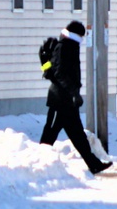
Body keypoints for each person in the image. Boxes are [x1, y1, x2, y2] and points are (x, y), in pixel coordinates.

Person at [39, 21, 112, 174]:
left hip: (68, 101)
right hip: (59, 100)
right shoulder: (64, 48)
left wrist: (74, 95)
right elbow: (58, 74)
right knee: (50, 134)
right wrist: (73, 93)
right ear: (76, 35)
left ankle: (94, 164)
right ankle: (37, 164)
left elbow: (54, 71)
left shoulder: (69, 46)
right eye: (81, 35)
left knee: (78, 135)